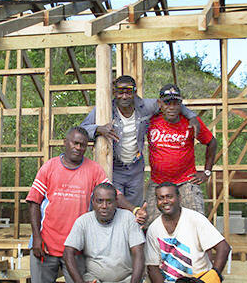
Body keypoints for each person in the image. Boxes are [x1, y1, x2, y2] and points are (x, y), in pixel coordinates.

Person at [26, 126, 144, 283]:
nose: (78, 148)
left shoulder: (93, 170)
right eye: (75, 143)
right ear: (65, 142)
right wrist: (37, 237)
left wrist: (133, 209)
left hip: (76, 250)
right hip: (46, 245)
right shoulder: (49, 167)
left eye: (83, 145)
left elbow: (112, 194)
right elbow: (33, 202)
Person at [80, 75, 200, 207]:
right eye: (120, 92)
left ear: (135, 92)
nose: (124, 96)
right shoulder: (105, 109)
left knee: (134, 208)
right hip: (115, 167)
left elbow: (170, 103)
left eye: (128, 92)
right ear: (115, 93)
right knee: (111, 204)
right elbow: (81, 130)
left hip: (135, 168)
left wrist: (191, 116)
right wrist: (98, 129)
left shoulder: (145, 107)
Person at [145, 84, 217, 223]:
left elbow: (212, 142)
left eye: (175, 103)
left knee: (197, 223)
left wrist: (207, 172)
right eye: (167, 103)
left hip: (186, 182)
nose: (171, 107)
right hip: (158, 182)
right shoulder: (151, 120)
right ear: (160, 103)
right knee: (151, 225)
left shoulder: (191, 122)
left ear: (180, 104)